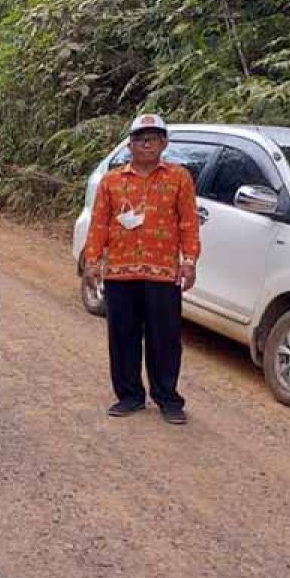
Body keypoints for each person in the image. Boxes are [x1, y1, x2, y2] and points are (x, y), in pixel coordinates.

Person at [83, 113, 200, 425]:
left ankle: (168, 399)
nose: (146, 143)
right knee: (122, 337)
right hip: (120, 273)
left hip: (162, 274)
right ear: (129, 145)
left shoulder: (179, 178)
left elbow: (188, 224)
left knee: (165, 338)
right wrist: (92, 262)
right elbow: (99, 224)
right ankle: (129, 396)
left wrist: (189, 262)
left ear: (164, 143)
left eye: (153, 138)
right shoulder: (111, 181)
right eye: (139, 138)